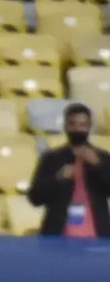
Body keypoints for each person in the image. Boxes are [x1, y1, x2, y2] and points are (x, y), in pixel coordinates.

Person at [27, 102, 110, 238]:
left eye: (82, 125)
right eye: (73, 124)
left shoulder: (103, 157)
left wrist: (98, 165)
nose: (77, 129)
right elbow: (34, 198)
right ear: (65, 126)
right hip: (58, 236)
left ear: (89, 127)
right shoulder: (52, 158)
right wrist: (58, 178)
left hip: (97, 236)